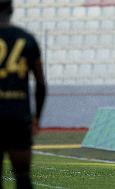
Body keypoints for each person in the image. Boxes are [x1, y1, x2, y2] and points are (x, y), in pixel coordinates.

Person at [0, 0, 46, 188]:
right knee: (23, 176)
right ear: (11, 10)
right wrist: (36, 118)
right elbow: (41, 83)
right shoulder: (26, 38)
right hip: (18, 116)